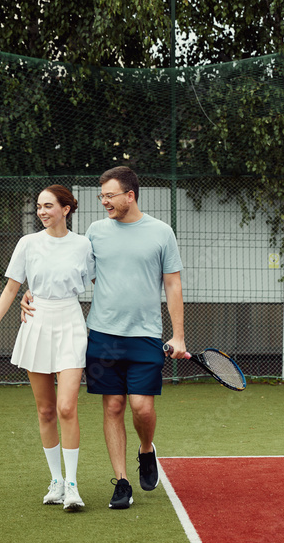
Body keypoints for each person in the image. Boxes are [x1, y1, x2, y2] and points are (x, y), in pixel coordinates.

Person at [23, 166, 186, 510]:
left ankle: (146, 449)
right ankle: (122, 482)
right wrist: (31, 293)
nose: (104, 202)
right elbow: (67, 264)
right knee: (113, 406)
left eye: (110, 196)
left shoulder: (161, 232)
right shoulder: (95, 232)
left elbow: (172, 284)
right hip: (102, 334)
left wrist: (179, 335)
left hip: (145, 335)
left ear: (131, 195)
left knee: (142, 407)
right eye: (102, 197)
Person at [0, 185, 94, 512]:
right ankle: (56, 481)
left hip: (71, 322)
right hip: (36, 322)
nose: (42, 212)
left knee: (66, 408)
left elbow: (101, 285)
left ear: (66, 209)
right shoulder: (27, 244)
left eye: (48, 206)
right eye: (39, 207)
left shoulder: (83, 245)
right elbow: (12, 288)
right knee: (45, 410)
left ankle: (72, 485)